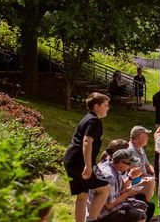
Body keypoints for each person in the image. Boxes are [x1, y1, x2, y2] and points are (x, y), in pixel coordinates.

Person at [63, 93, 111, 222]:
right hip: (81, 161)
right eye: (105, 105)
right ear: (96, 106)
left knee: (82, 195)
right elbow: (86, 141)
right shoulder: (95, 121)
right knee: (105, 189)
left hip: (70, 160)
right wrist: (88, 165)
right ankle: (92, 219)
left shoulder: (87, 118)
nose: (108, 108)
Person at [90, 149, 149, 222]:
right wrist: (127, 193)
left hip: (104, 207)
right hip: (102, 213)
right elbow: (109, 205)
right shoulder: (110, 176)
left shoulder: (109, 165)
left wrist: (130, 177)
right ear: (121, 163)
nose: (130, 167)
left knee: (142, 205)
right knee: (140, 216)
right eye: (129, 164)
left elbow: (118, 188)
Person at [126, 126, 156, 210]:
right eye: (146, 135)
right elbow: (137, 173)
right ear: (139, 138)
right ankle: (143, 206)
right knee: (151, 181)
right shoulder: (131, 150)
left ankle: (145, 205)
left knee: (156, 179)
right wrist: (153, 177)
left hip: (141, 178)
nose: (148, 137)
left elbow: (148, 165)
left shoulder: (141, 149)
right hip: (133, 182)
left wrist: (154, 173)